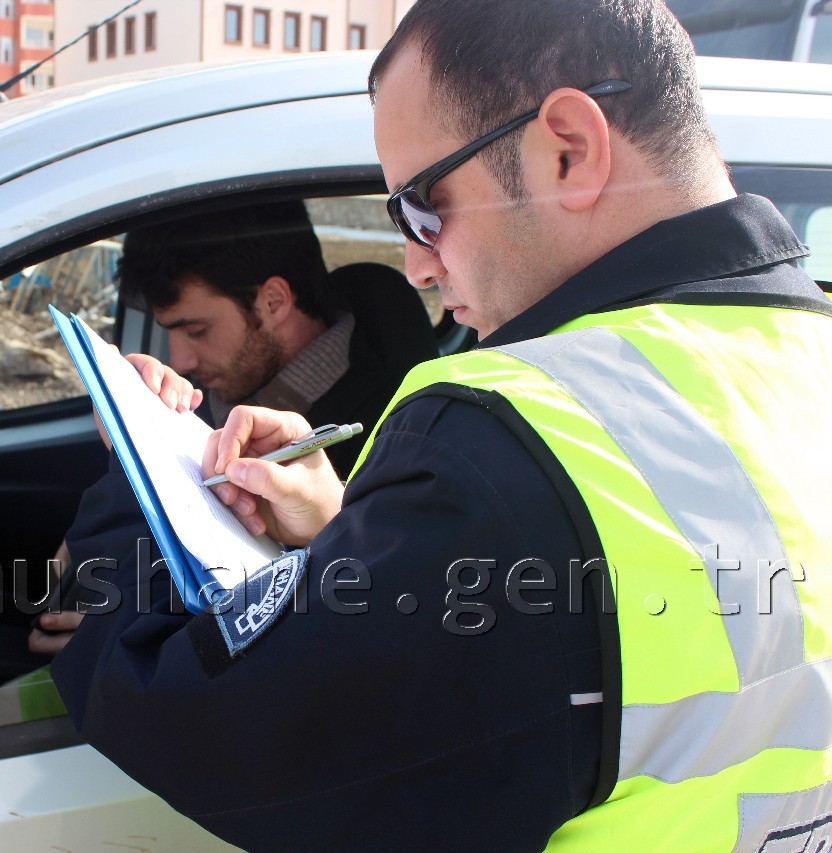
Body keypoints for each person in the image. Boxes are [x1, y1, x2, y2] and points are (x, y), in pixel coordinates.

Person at [50, 1, 832, 850]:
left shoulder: (510, 445)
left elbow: (215, 729)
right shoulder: (806, 355)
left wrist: (134, 486)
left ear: (568, 148)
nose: (418, 265)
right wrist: (345, 533)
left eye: (425, 206)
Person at [28, 200, 437, 654]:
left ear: (273, 301)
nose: (179, 358)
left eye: (197, 330)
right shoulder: (216, 400)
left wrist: (122, 633)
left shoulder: (381, 447)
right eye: (170, 332)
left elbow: (306, 633)